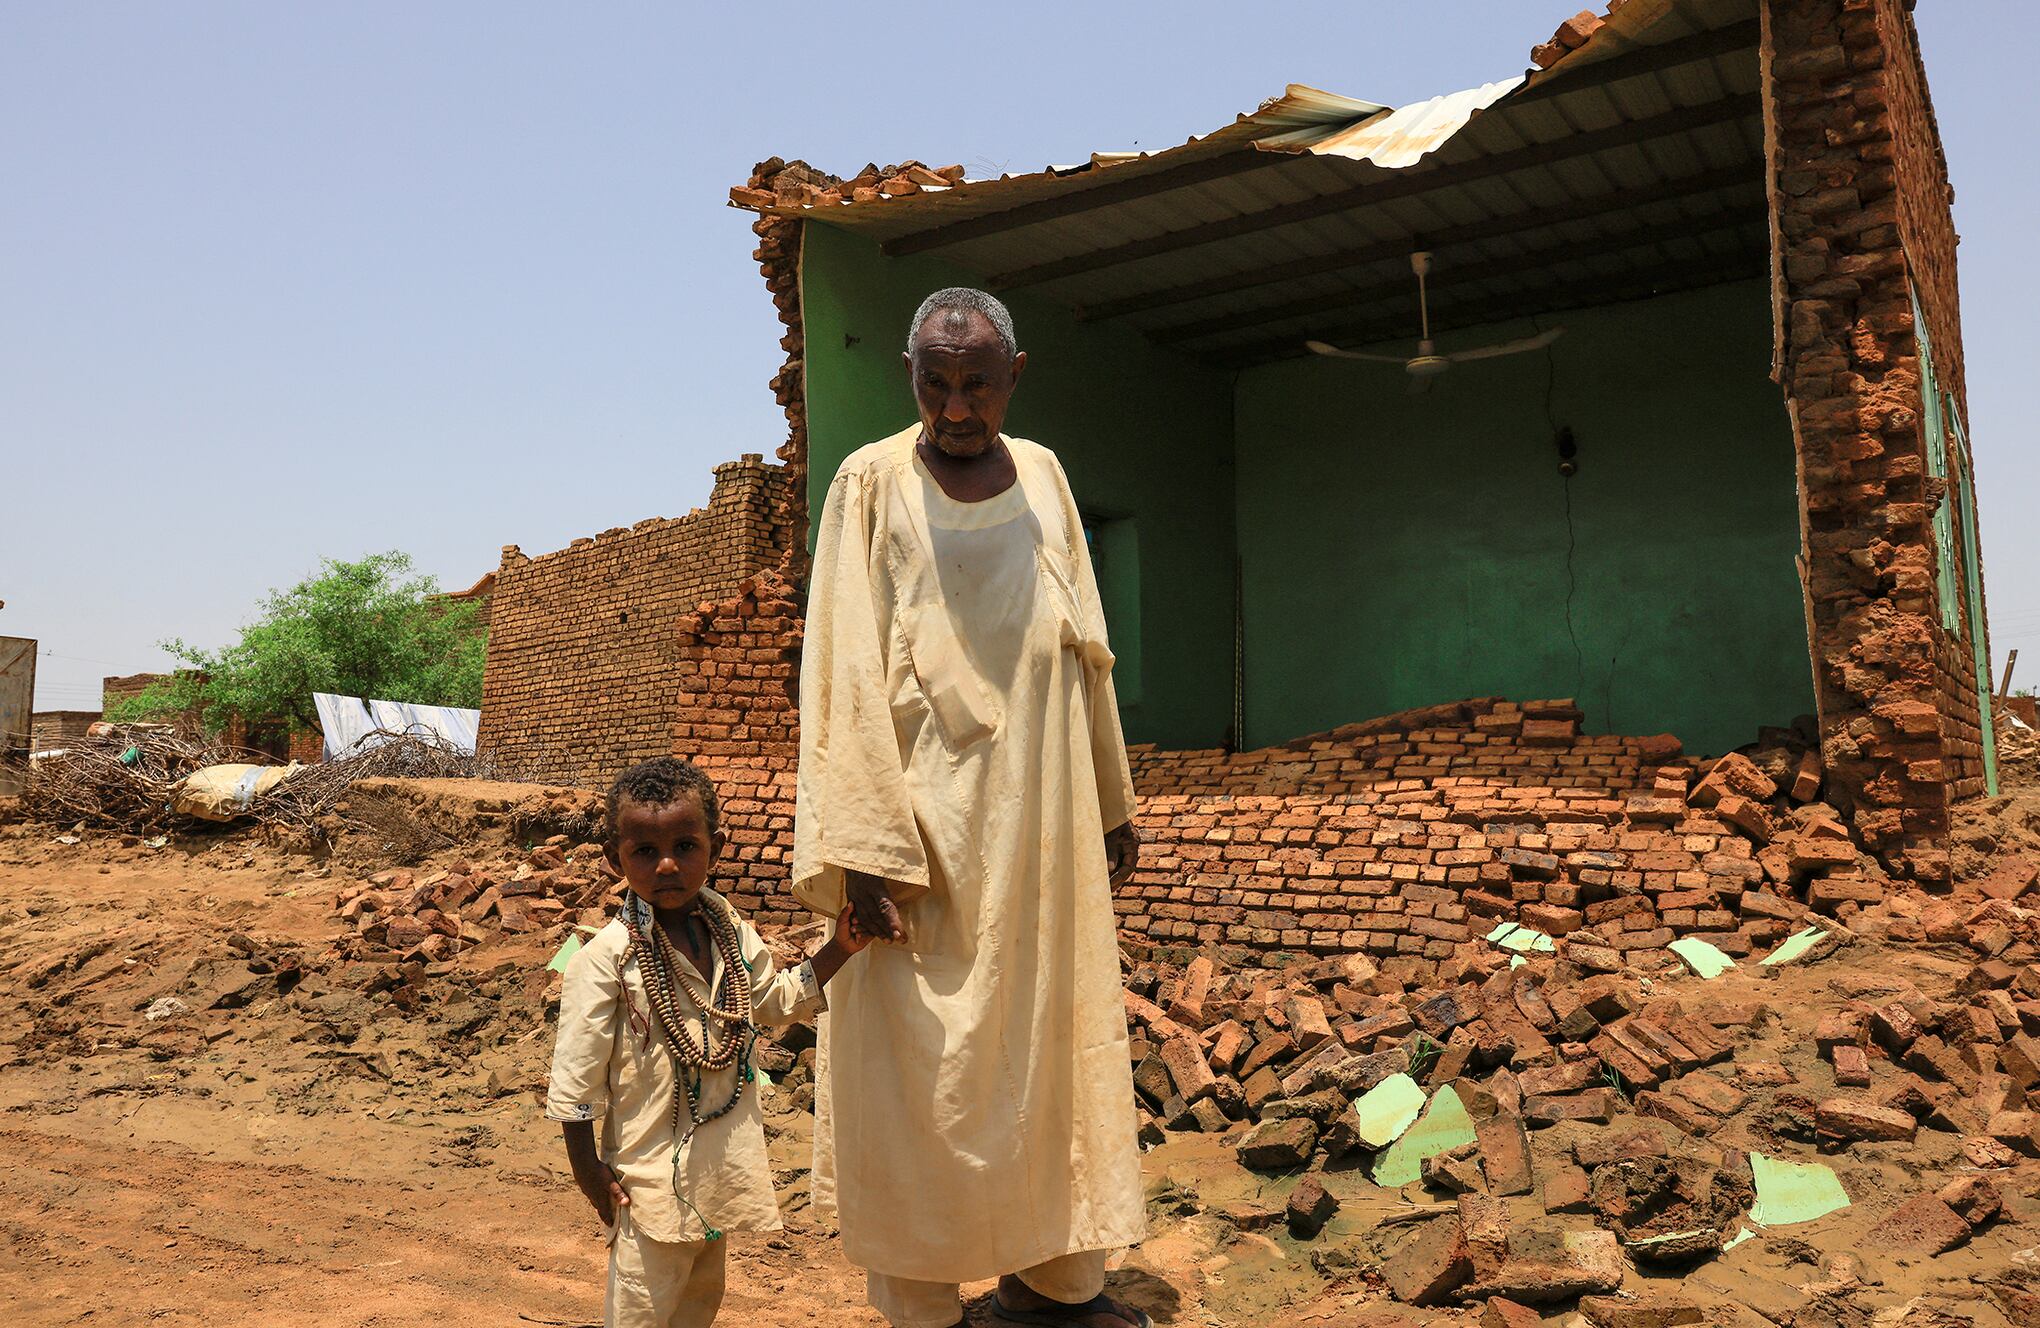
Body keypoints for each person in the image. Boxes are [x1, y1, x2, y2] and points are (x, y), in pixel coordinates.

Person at [793, 287, 1149, 1328]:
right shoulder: (868, 482)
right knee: (918, 1074)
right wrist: (861, 847)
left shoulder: (1043, 474)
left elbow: (1085, 645)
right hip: (917, 835)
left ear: (1015, 375)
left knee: (1049, 1046)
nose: (956, 407)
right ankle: (924, 1304)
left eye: (977, 384)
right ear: (911, 373)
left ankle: (1054, 1286)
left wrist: (1110, 794)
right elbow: (843, 668)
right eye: (935, 382)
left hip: (1040, 824)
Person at [548, 756, 869, 1328]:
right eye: (645, 852)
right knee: (642, 1310)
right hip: (644, 1182)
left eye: (685, 846)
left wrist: (838, 949)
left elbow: (770, 1001)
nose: (667, 865)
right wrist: (588, 1170)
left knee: (699, 1302)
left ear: (714, 848)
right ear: (614, 859)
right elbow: (577, 1077)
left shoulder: (729, 929)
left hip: (719, 1170)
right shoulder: (606, 960)